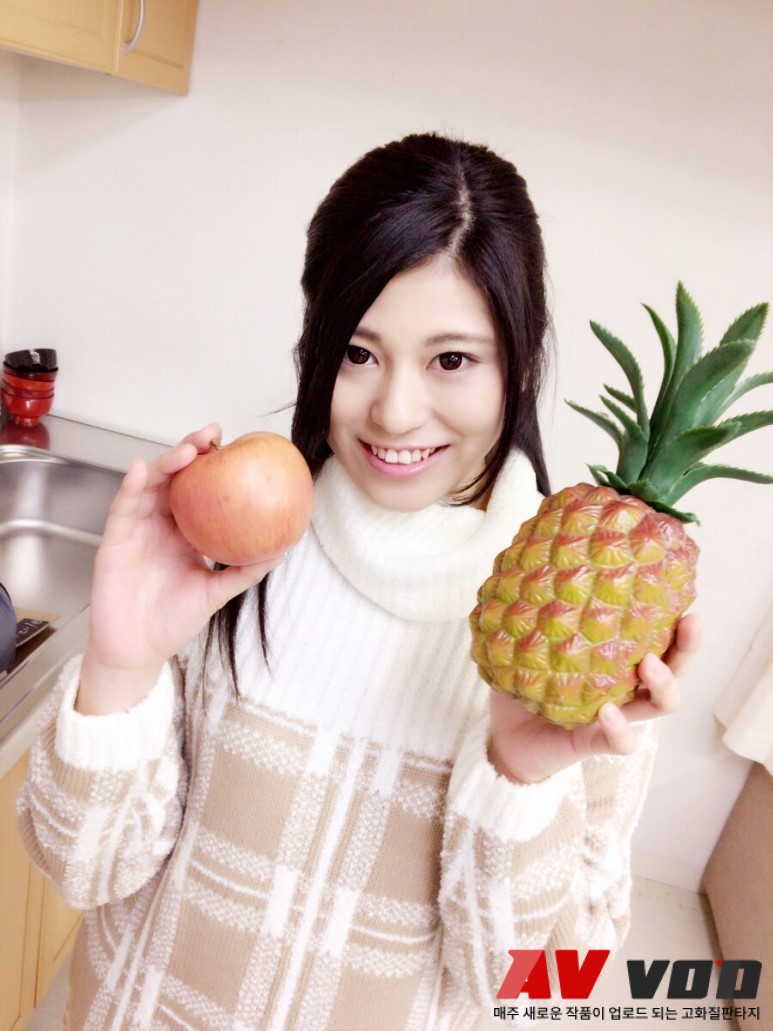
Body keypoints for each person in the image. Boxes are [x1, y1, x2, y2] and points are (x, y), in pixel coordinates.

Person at [17, 132, 700, 1031]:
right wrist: (119, 666)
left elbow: (547, 987)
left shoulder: (584, 628)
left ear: (521, 363)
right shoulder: (227, 550)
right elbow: (82, 870)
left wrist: (517, 776)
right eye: (357, 351)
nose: (395, 412)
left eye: (451, 359)